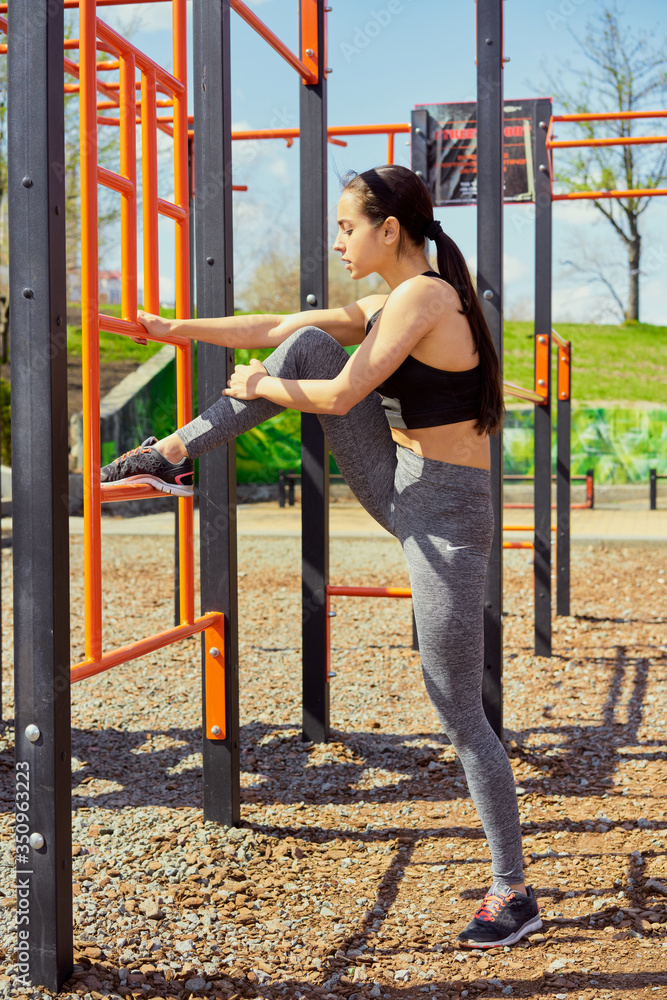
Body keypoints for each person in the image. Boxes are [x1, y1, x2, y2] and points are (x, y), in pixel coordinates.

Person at [101, 164, 542, 949]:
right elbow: (277, 327)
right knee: (303, 341)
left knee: (458, 711)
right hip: (398, 481)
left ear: (389, 231)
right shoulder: (394, 297)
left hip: (446, 518)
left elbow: (340, 397)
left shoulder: (425, 298)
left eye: (347, 227)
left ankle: (512, 890)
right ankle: (169, 454)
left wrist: (266, 389)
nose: (338, 240)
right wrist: (179, 332)